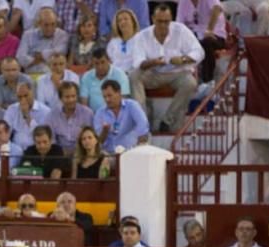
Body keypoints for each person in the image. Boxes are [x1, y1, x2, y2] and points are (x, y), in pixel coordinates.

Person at [130, 4, 204, 134]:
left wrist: (183, 59)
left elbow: (199, 52)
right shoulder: (142, 36)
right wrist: (152, 62)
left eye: (166, 22)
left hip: (178, 72)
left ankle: (168, 120)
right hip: (154, 73)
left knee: (190, 83)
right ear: (153, 19)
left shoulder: (180, 30)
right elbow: (138, 62)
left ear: (171, 19)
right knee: (134, 76)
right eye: (160, 21)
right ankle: (143, 122)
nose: (163, 25)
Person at [93, 79, 149, 152]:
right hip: (109, 154)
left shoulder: (131, 105)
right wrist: (104, 131)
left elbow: (143, 124)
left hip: (131, 151)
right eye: (104, 97)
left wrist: (139, 147)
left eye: (110, 96)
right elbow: (98, 141)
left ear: (119, 93)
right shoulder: (100, 112)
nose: (107, 99)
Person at [16, 8, 69, 76]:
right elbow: (20, 58)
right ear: (39, 24)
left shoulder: (62, 35)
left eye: (53, 24)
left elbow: (61, 52)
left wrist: (41, 55)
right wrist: (38, 59)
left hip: (52, 75)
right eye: (46, 25)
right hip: (31, 75)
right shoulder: (27, 35)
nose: (49, 28)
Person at [79, 47, 130, 114]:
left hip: (116, 114)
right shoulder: (86, 77)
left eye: (103, 62)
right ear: (92, 63)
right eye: (96, 63)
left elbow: (123, 101)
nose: (100, 67)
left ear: (109, 61)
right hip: (93, 116)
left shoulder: (120, 75)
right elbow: (84, 104)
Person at [4, 82, 50, 151]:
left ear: (32, 93)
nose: (23, 99)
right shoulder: (11, 109)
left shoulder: (45, 111)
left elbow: (40, 134)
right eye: (20, 97)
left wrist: (26, 114)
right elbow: (5, 131)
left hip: (37, 148)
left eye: (26, 96)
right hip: (15, 149)